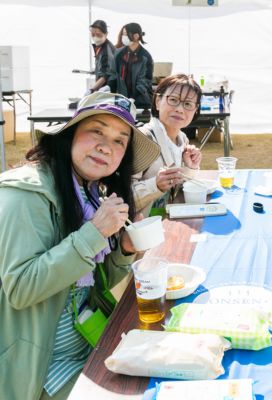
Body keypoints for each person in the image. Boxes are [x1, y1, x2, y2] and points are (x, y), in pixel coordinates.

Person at [0, 92, 160, 400]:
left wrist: (124, 249)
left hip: (88, 340)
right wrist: (95, 232)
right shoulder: (26, 194)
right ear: (71, 134)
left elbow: (86, 285)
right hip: (41, 368)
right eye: (97, 131)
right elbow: (21, 289)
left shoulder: (86, 192)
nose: (106, 146)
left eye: (119, 141)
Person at [132, 74, 203, 216]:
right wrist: (155, 185)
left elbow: (178, 188)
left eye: (188, 104)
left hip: (169, 222)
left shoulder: (182, 139)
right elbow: (121, 197)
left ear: (196, 110)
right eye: (173, 100)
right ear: (158, 101)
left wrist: (189, 167)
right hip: (142, 231)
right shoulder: (142, 139)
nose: (180, 109)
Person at [112, 23, 154, 110]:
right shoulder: (118, 54)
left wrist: (133, 98)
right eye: (123, 34)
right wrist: (109, 87)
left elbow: (144, 81)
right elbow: (114, 74)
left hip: (141, 103)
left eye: (126, 34)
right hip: (121, 101)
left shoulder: (145, 57)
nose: (123, 36)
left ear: (136, 36)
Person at [88, 20, 116, 95]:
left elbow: (105, 75)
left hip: (109, 90)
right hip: (102, 89)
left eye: (98, 34)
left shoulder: (107, 50)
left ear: (106, 34)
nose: (95, 36)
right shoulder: (100, 47)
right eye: (93, 34)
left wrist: (92, 90)